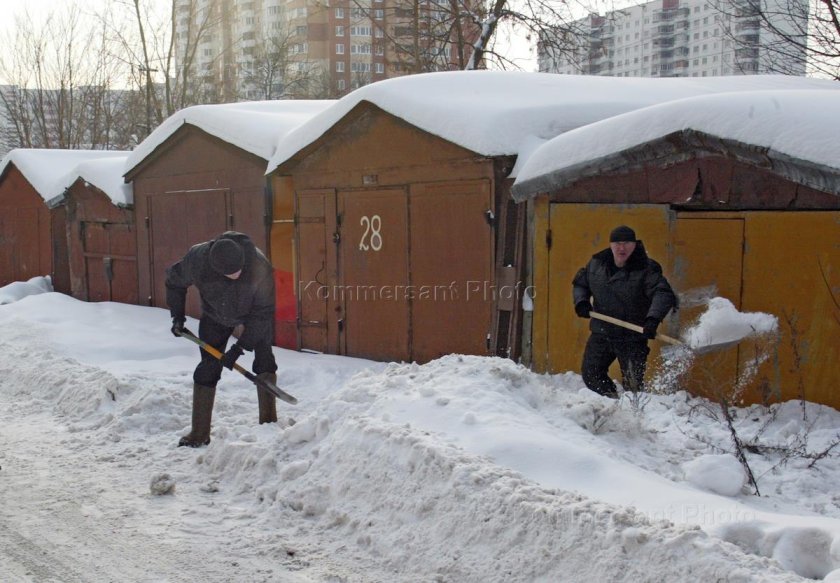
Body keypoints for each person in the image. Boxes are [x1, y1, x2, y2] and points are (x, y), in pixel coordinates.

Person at [166, 231, 278, 447]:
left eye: (238, 271)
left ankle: (269, 424)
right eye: (229, 273)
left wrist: (239, 348)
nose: (236, 275)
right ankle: (199, 434)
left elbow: (263, 312)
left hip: (253, 315)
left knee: (265, 361)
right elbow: (174, 282)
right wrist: (177, 316)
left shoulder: (259, 266)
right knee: (208, 367)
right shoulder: (197, 260)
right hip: (215, 315)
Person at [572, 225, 677, 398]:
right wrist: (581, 302)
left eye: (627, 243)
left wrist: (653, 319)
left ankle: (633, 415)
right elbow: (581, 283)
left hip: (632, 336)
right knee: (591, 374)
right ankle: (612, 404)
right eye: (617, 243)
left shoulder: (646, 269)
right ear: (611, 245)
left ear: (635, 244)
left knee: (633, 383)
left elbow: (663, 293)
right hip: (602, 331)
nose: (622, 248)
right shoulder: (596, 264)